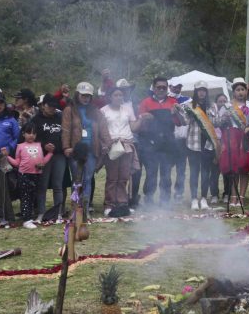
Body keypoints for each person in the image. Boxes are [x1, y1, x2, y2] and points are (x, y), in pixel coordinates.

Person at [136, 77, 180, 207]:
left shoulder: (173, 102)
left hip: (168, 142)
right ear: (153, 88)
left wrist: (175, 114)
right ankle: (148, 200)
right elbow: (140, 124)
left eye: (164, 87)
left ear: (167, 89)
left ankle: (165, 201)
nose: (161, 89)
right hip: (150, 143)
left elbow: (179, 123)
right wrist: (145, 118)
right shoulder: (145, 102)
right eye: (158, 87)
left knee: (166, 173)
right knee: (151, 173)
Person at [62, 81, 104, 215]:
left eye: (88, 96)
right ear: (77, 95)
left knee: (88, 179)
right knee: (77, 180)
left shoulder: (96, 111)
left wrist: (107, 144)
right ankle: (76, 209)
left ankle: (85, 210)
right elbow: (66, 130)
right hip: (75, 150)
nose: (86, 98)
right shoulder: (69, 109)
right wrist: (66, 147)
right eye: (83, 95)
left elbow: (103, 128)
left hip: (91, 150)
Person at [99, 87, 142, 216]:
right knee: (112, 177)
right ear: (110, 97)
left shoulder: (128, 109)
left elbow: (133, 128)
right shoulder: (103, 111)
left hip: (127, 144)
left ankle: (123, 203)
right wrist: (106, 143)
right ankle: (109, 204)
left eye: (121, 95)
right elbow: (101, 130)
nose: (119, 97)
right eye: (116, 95)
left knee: (124, 176)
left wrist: (141, 119)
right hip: (112, 145)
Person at [216, 78, 249, 205]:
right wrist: (226, 117)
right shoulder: (227, 106)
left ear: (246, 91)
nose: (240, 92)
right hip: (231, 139)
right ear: (233, 92)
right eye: (237, 90)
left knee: (244, 169)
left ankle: (242, 196)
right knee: (233, 169)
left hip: (244, 139)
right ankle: (233, 196)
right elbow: (220, 123)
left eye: (242, 89)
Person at [181, 82, 220, 210]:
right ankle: (193, 199)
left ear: (206, 92)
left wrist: (224, 118)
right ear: (195, 92)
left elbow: (216, 123)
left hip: (208, 144)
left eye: (204, 90)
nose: (201, 92)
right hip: (193, 144)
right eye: (199, 90)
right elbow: (184, 121)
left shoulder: (212, 106)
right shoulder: (190, 106)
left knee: (205, 172)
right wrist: (178, 112)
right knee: (194, 172)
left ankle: (203, 198)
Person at [5, 124, 53, 228]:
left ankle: (29, 217)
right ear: (23, 134)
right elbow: (17, 162)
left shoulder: (39, 145)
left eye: (34, 133)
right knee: (25, 197)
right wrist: (7, 156)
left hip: (37, 175)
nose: (31, 135)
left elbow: (43, 161)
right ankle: (26, 220)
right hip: (24, 175)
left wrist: (50, 153)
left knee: (32, 197)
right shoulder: (20, 146)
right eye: (29, 133)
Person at [29, 94, 64, 220]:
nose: (53, 109)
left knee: (57, 185)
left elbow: (65, 135)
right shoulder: (35, 120)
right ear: (43, 106)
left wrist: (59, 147)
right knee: (42, 185)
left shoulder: (60, 117)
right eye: (50, 106)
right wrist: (44, 145)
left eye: (55, 107)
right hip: (42, 156)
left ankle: (58, 212)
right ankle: (41, 212)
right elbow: (31, 137)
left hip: (59, 155)